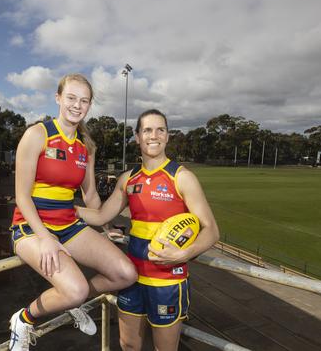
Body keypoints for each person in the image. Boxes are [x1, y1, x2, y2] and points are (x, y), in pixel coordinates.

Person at [8, 73, 138, 350]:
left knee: (125, 273)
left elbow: (90, 194)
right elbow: (21, 196)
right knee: (77, 289)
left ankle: (70, 301)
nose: (77, 105)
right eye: (71, 98)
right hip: (31, 227)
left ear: (90, 105)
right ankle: (23, 319)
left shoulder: (86, 146)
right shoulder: (37, 134)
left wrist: (106, 228)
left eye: (84, 101)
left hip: (68, 224)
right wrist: (44, 238)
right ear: (58, 98)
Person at [77, 109, 220, 351]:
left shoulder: (182, 177)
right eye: (147, 130)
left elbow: (211, 230)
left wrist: (185, 253)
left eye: (160, 130)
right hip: (132, 277)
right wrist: (62, 210)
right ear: (137, 136)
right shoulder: (128, 179)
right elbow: (101, 214)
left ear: (167, 136)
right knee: (128, 344)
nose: (154, 136)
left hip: (167, 282)